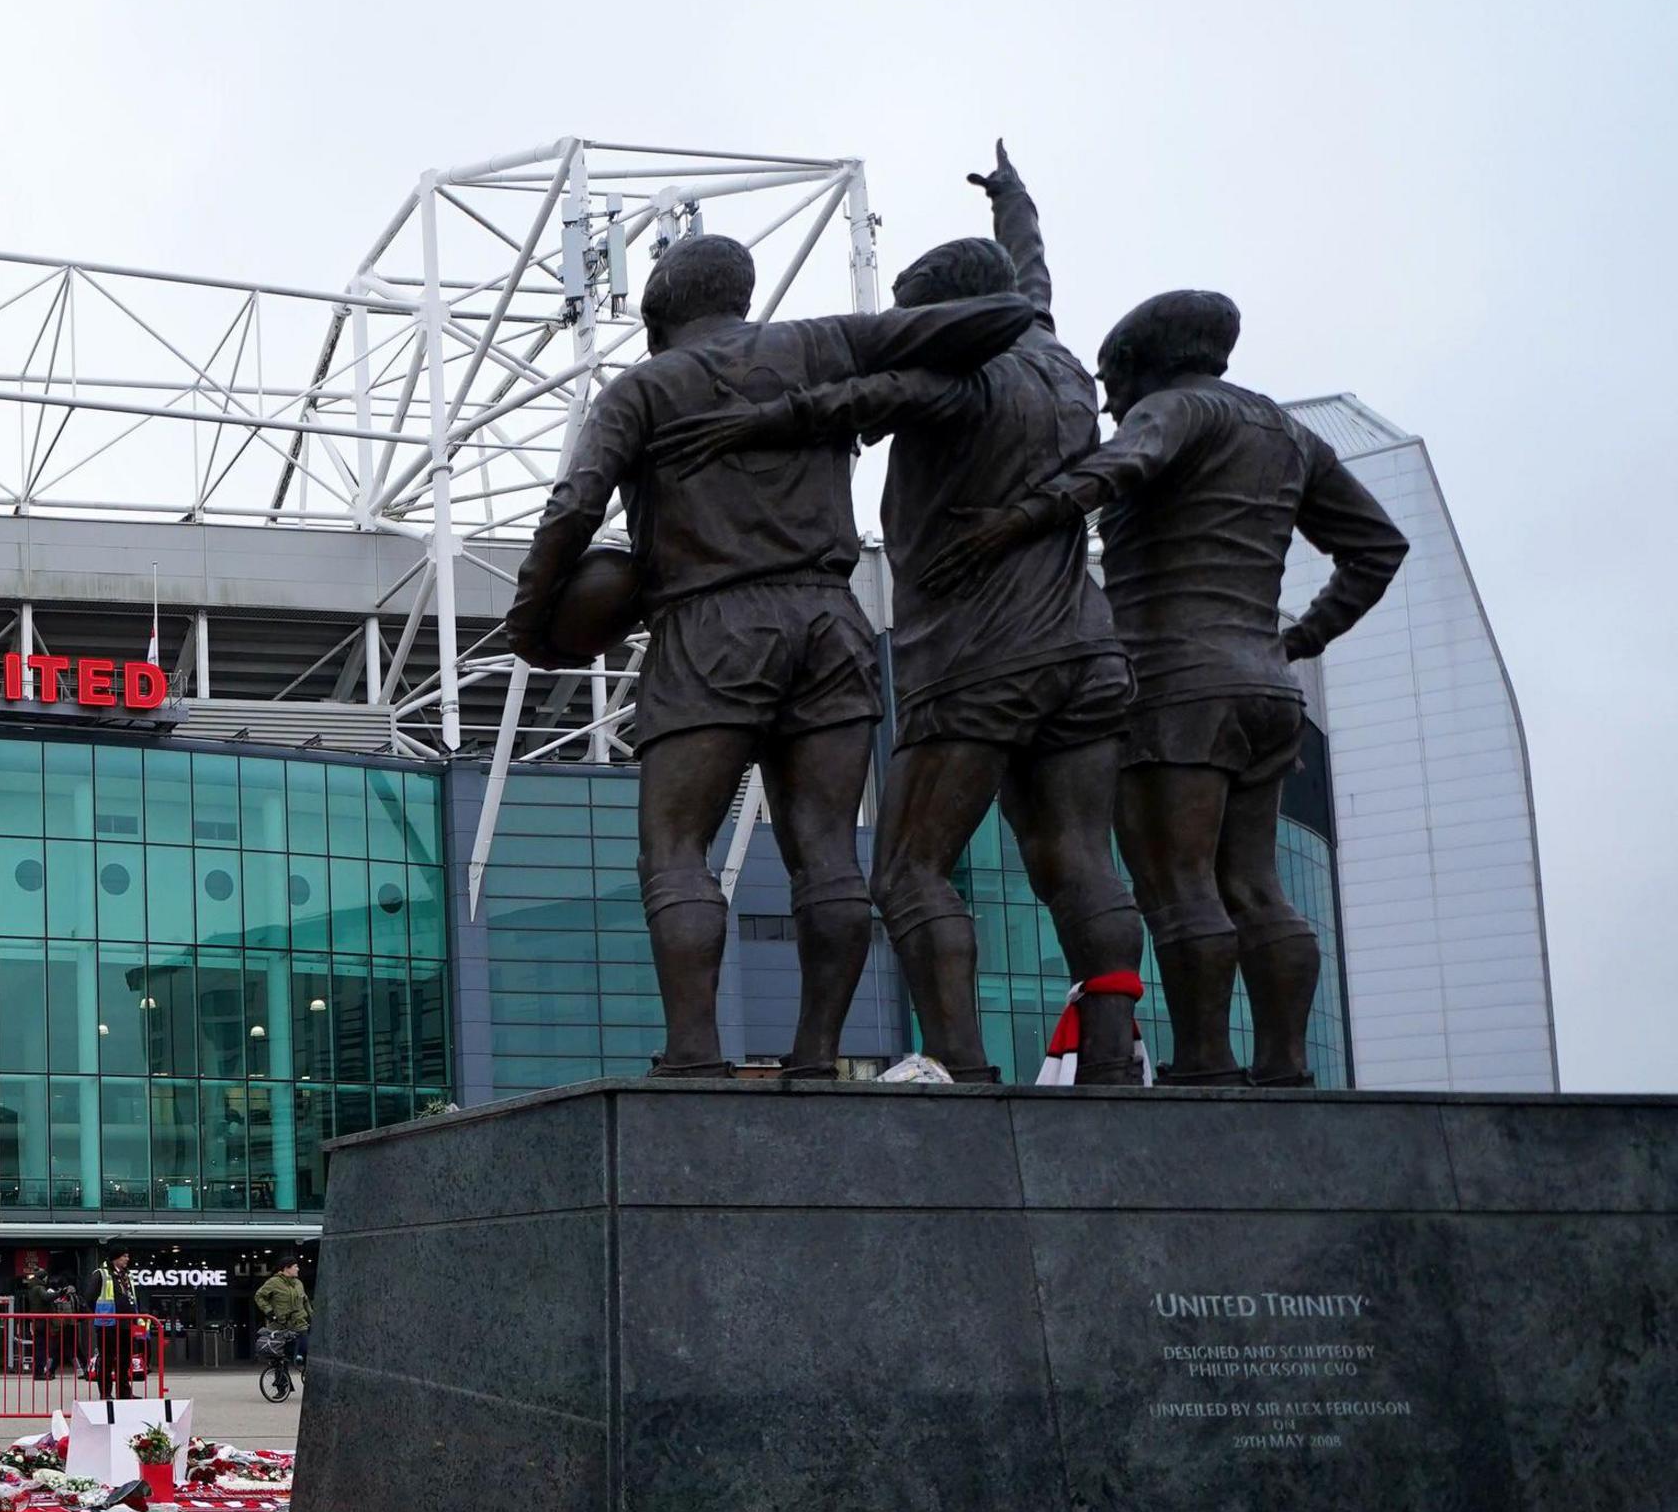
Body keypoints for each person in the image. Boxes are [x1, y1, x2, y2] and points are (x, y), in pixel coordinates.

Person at [647, 145, 1147, 1084]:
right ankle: (1116, 1062)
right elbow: (1032, 277)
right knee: (1083, 857)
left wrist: (755, 417)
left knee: (909, 871)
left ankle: (960, 1064)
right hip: (1086, 646)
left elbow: (858, 393)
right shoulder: (1061, 358)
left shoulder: (957, 381)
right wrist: (1016, 203)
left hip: (977, 658)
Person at [507, 237, 1035, 1078]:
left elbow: (574, 507)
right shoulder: (821, 344)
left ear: (655, 314)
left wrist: (531, 627)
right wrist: (839, 401)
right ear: (742, 296)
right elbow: (1005, 318)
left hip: (708, 624)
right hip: (829, 618)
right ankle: (816, 1056)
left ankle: (694, 1052)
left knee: (676, 849)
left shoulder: (644, 387)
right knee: (828, 850)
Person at [915, 288, 1407, 1085]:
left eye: (1112, 381)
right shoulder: (1290, 433)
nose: (1109, 404)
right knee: (1254, 885)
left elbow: (1120, 465)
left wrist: (1011, 524)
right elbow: (1378, 547)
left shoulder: (1176, 411)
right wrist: (1295, 642)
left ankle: (1203, 1062)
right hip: (1267, 690)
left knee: (1177, 884)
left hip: (1174, 688)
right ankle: (1284, 1066)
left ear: (1147, 363)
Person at [87, 1252, 144, 1404]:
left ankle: (124, 1392)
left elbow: (132, 1297)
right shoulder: (101, 1274)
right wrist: (100, 1314)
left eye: (127, 1255)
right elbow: (90, 1297)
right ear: (115, 1257)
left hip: (125, 1323)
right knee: (106, 1358)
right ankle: (105, 1392)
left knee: (124, 1359)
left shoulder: (127, 1275)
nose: (127, 1258)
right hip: (107, 1323)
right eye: (124, 1256)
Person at [252, 1259, 310, 1372]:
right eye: (295, 1266)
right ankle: (281, 1384)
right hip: (281, 1324)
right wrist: (269, 1312)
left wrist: (312, 1316)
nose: (298, 1269)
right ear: (286, 1268)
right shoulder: (274, 1282)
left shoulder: (299, 1283)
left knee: (305, 1347)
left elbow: (305, 1301)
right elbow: (259, 1296)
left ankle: (303, 1367)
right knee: (280, 1356)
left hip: (300, 1323)